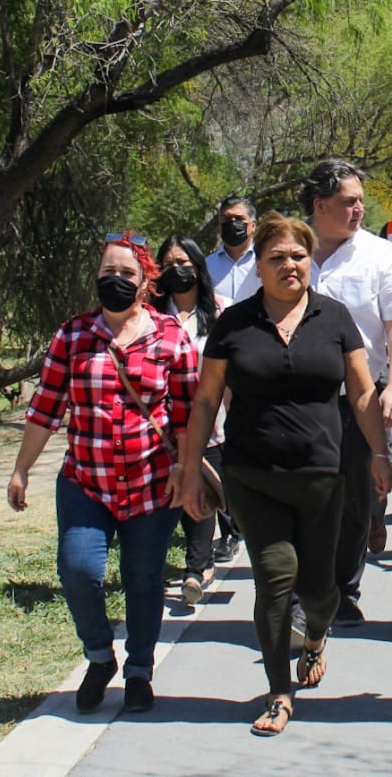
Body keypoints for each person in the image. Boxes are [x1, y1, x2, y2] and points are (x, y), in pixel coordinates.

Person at [177, 213, 392, 736]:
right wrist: (190, 469)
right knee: (274, 582)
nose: (289, 265)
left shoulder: (335, 317)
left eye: (298, 255)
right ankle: (278, 691)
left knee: (321, 590)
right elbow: (206, 400)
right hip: (253, 476)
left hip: (323, 476)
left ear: (309, 260)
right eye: (277, 257)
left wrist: (379, 453)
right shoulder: (234, 324)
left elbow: (362, 394)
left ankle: (316, 635)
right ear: (259, 264)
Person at [7, 233, 198, 715]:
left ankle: (138, 670)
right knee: (78, 570)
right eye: (107, 272)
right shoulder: (72, 336)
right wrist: (21, 471)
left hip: (152, 483)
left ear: (146, 282)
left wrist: (185, 468)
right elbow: (45, 409)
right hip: (86, 483)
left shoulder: (172, 337)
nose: (115, 281)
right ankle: (98, 656)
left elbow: (191, 413)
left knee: (144, 580)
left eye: (126, 274)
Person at [302, 159, 392, 624]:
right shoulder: (288, 249)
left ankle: (343, 589)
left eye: (361, 201)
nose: (359, 210)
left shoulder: (377, 253)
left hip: (360, 399)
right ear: (319, 205)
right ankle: (301, 592)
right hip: (298, 401)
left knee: (355, 499)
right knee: (302, 497)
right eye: (349, 202)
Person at [155, 234, 237, 602]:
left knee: (201, 494)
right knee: (167, 498)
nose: (178, 270)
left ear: (198, 268)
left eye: (184, 263)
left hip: (212, 423)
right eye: (169, 264)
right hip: (160, 428)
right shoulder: (149, 315)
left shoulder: (223, 311)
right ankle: (184, 565)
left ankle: (196, 567)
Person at [206, 195, 260, 304]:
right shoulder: (207, 266)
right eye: (226, 219)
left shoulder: (265, 261)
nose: (232, 223)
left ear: (253, 225)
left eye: (239, 218)